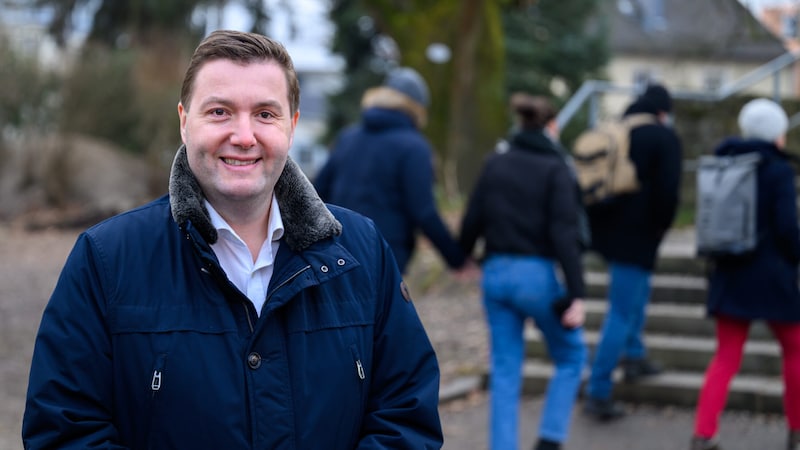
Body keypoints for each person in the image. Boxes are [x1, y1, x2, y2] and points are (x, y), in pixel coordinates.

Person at [22, 30, 443, 449]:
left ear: (291, 126)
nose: (244, 136)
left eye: (265, 114)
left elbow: (406, 415)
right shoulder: (106, 259)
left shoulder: (362, 252)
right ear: (185, 122)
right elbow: (64, 430)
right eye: (220, 112)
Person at [459, 93, 587, 450]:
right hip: (536, 276)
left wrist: (462, 258)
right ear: (551, 127)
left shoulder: (495, 163)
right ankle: (550, 440)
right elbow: (565, 231)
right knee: (572, 355)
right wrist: (577, 292)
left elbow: (473, 217)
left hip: (495, 275)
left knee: (504, 370)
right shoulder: (556, 167)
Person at [690, 98, 800, 450]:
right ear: (775, 133)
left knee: (725, 357)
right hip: (773, 277)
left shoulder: (724, 162)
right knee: (796, 350)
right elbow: (787, 227)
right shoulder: (777, 169)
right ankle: (797, 431)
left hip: (730, 272)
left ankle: (704, 434)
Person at [583, 83, 683, 419]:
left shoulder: (616, 130)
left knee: (635, 296)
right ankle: (598, 391)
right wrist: (661, 227)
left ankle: (635, 355)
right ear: (662, 112)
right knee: (621, 311)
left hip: (607, 234)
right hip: (639, 236)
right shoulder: (664, 138)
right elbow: (668, 193)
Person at [314, 67, 469, 274]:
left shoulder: (348, 138)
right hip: (383, 255)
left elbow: (316, 193)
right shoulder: (414, 147)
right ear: (418, 109)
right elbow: (424, 212)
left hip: (336, 253)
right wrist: (457, 259)